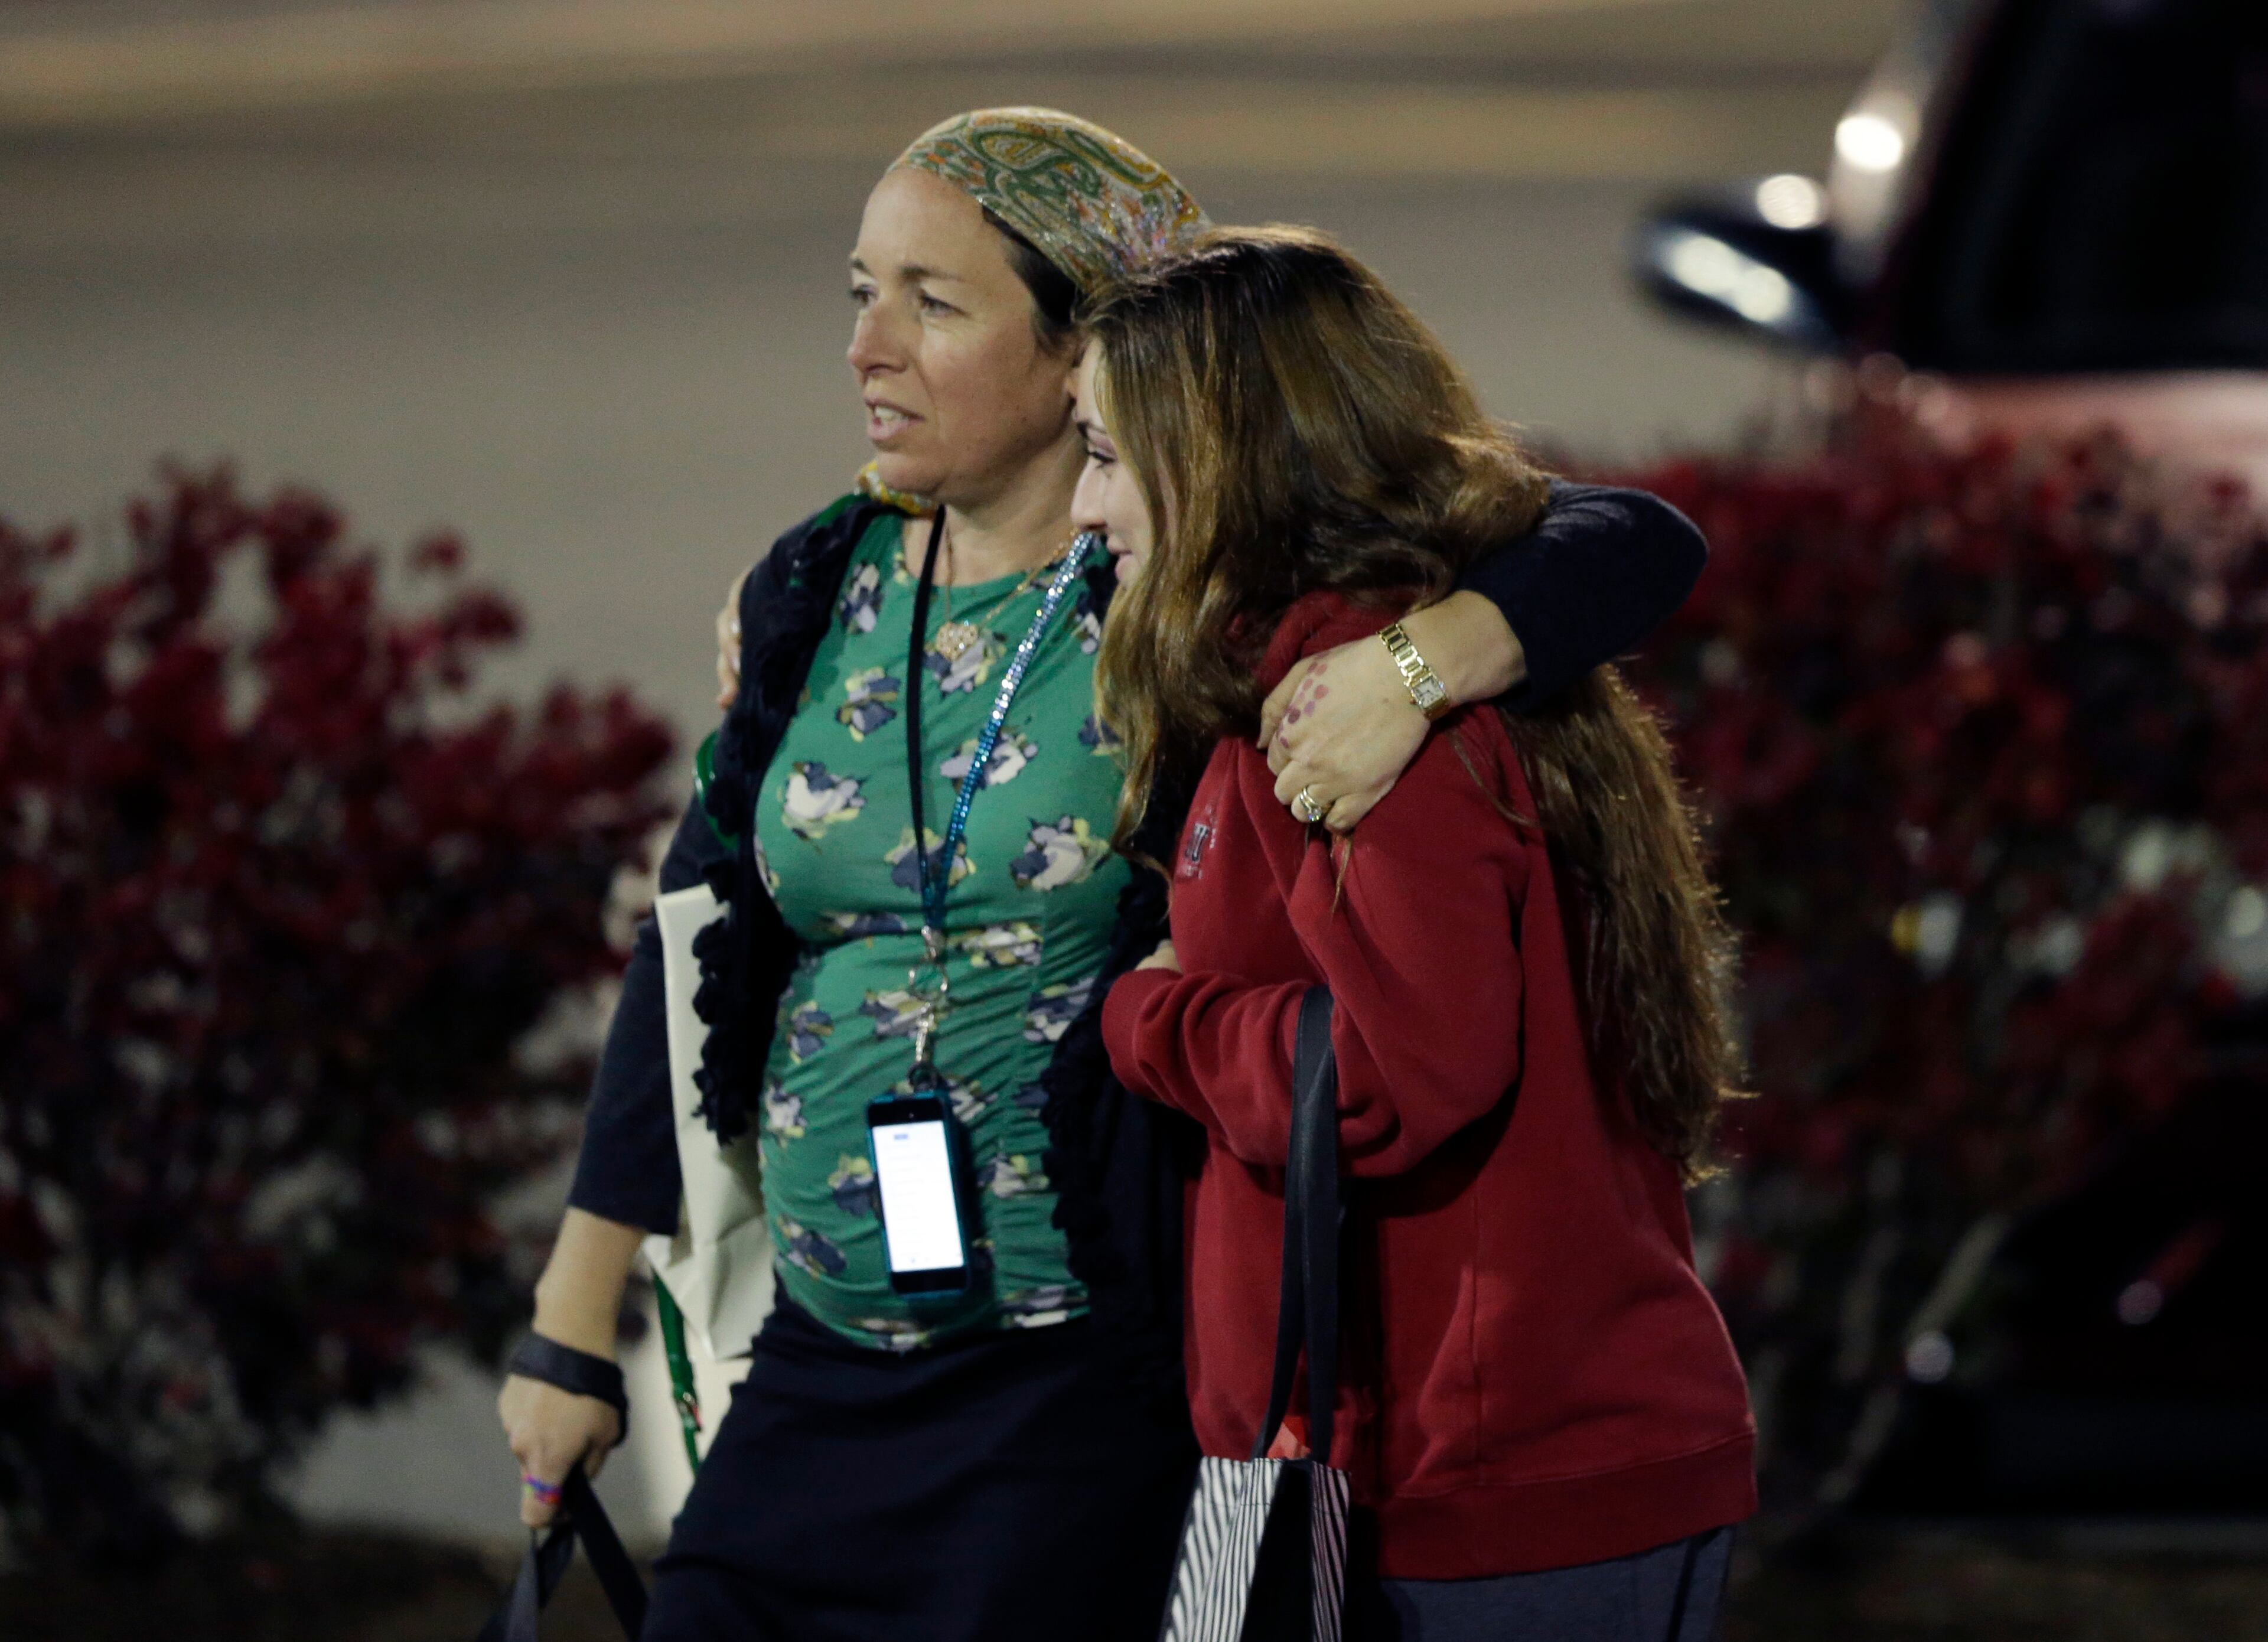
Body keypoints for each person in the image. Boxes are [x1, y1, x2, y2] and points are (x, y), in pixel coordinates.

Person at [498, 110, 1715, 1642]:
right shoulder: (820, 584)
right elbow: (699, 946)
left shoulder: (1188, 588)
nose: (867, 347)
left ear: (1090, 349)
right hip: (821, 1346)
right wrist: (569, 1323)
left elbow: (1624, 537)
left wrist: (1419, 664)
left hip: (1081, 1365)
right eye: (860, 291)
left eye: (933, 304)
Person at [1086, 226, 1757, 1641]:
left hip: (1506, 1489)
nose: (1088, 506)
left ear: (1216, 461)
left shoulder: (1359, 703)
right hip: (1378, 1468)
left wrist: (1152, 1021)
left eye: (1103, 453)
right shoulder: (1297, 663)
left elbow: (1399, 1076)